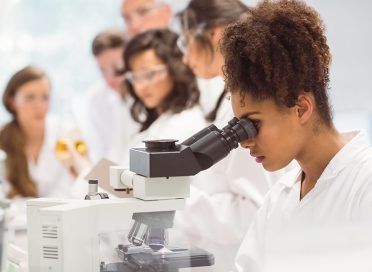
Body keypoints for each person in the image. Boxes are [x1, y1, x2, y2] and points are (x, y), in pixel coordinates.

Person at [220, 0, 372, 270]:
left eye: (253, 124)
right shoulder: (279, 198)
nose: (245, 141)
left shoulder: (364, 183)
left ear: (301, 108)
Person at [174, 1, 283, 270]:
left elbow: (252, 212)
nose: (186, 58)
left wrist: (173, 200)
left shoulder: (251, 105)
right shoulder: (230, 100)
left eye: (186, 42)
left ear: (214, 34)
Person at [112, 28, 206, 165]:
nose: (140, 87)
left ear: (175, 69)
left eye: (149, 75)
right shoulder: (157, 122)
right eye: (134, 77)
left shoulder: (184, 124)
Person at [121, 0, 222, 115]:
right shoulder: (135, 91)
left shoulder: (204, 55)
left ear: (166, 11)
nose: (134, 25)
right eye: (127, 19)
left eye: (143, 12)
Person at [0, 66, 78, 199]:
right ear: (12, 101)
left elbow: (70, 187)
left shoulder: (64, 134)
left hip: (59, 214)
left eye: (45, 97)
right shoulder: (3, 138)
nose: (39, 105)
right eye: (30, 98)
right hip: (16, 218)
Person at [73, 29, 138, 163]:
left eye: (117, 68)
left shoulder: (147, 93)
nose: (110, 79)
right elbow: (99, 152)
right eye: (103, 71)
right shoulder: (95, 100)